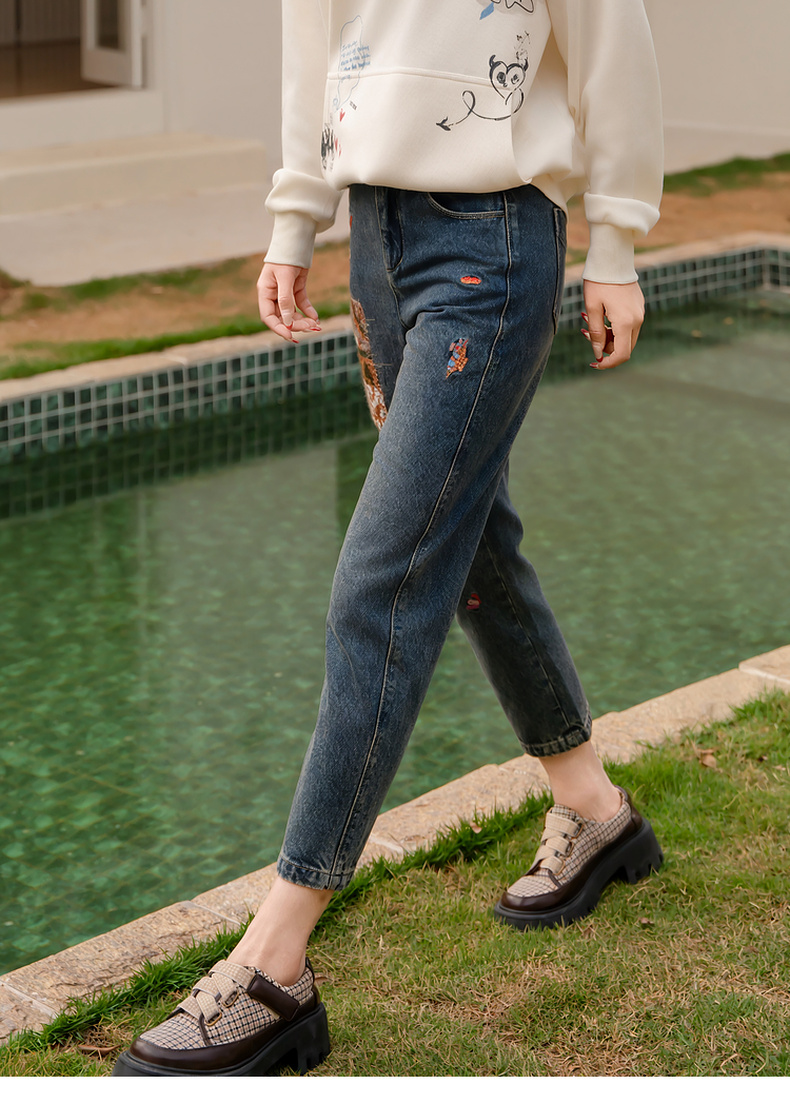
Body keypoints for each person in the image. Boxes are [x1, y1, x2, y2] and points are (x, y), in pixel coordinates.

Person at [114, 0, 665, 1077]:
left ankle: (275, 960)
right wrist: (296, 219)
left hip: (492, 243)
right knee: (472, 542)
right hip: (377, 238)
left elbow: (614, 42)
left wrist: (616, 244)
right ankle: (595, 809)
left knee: (383, 583)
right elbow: (313, 51)